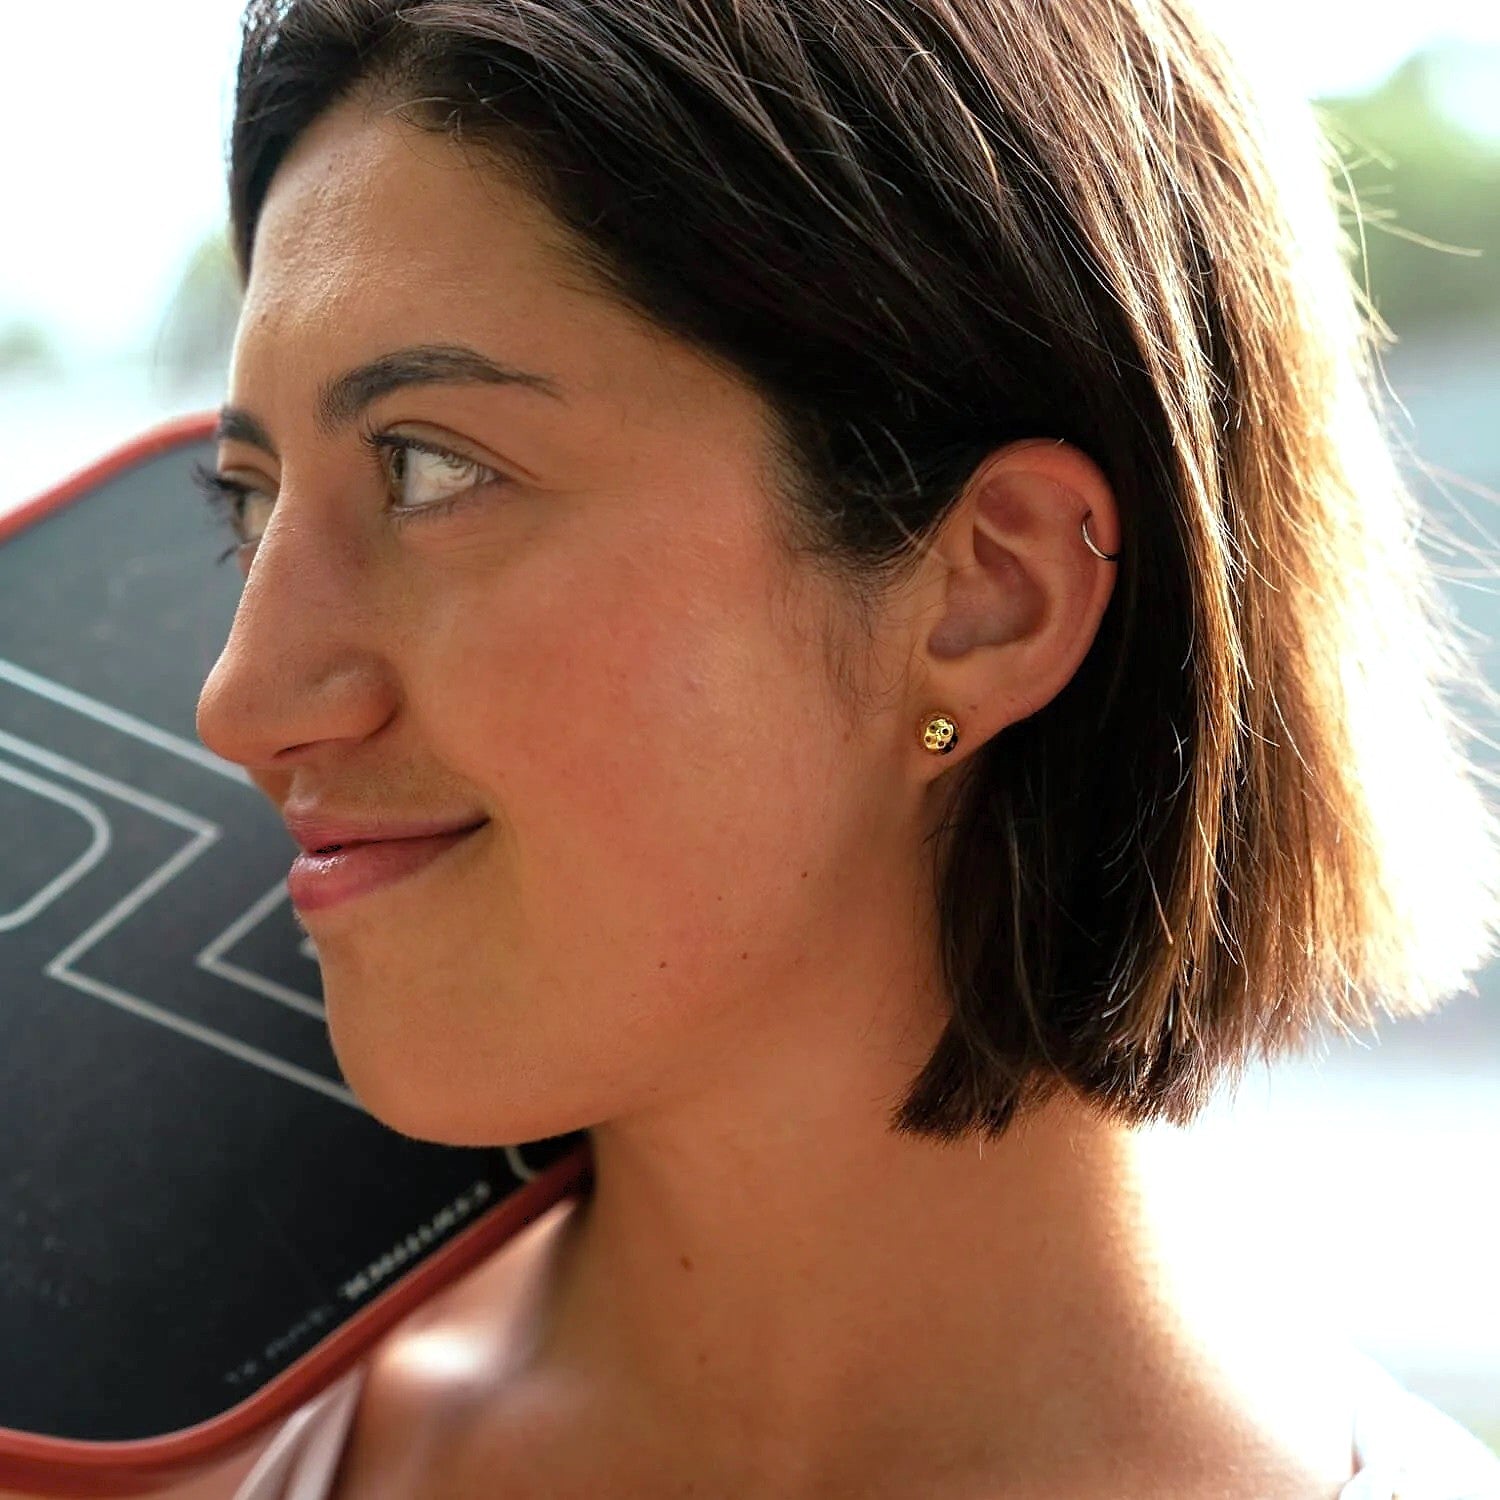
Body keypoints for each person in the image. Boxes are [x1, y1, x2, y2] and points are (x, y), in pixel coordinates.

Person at [183, 0, 1500, 1495]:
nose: (242, 699)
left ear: (992, 593)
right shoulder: (146, 1459)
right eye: (248, 499)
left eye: (431, 467)